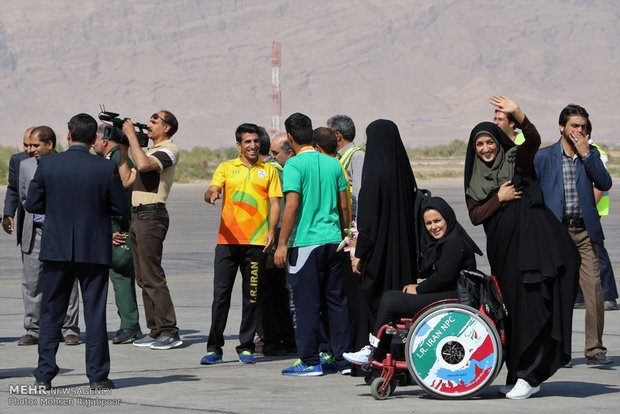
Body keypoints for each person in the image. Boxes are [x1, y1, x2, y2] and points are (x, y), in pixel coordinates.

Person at [465, 96, 579, 399]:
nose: (486, 148)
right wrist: (498, 200)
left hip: (535, 250)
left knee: (533, 308)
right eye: (480, 144)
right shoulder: (475, 176)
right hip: (504, 256)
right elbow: (475, 215)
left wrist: (519, 113)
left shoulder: (517, 161)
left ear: (500, 141)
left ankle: (531, 374)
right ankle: (518, 372)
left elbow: (533, 139)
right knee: (513, 313)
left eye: (491, 142)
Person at [25, 113, 129, 390]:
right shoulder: (104, 168)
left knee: (51, 313)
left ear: (68, 135)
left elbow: (33, 203)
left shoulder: (48, 165)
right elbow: (121, 207)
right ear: (95, 138)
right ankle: (97, 377)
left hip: (57, 248)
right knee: (94, 313)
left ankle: (44, 375)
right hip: (94, 248)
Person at [343, 196, 482, 363]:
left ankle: (374, 351)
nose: (433, 227)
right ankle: (379, 351)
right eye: (428, 223)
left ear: (448, 218)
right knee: (392, 299)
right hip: (449, 295)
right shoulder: (448, 240)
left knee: (390, 300)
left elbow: (443, 277)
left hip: (455, 299)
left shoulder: (454, 243)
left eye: (437, 221)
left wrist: (418, 289)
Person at [534, 104, 613, 366]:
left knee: (594, 291)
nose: (579, 131)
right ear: (562, 128)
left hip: (584, 232)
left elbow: (604, 183)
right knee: (558, 292)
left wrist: (587, 155)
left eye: (583, 127)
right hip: (557, 232)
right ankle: (560, 350)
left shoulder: (591, 155)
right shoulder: (544, 157)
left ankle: (595, 349)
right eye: (574, 126)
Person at [275, 112, 351, 376]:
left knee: (306, 304)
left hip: (307, 244)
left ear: (291, 138)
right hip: (334, 242)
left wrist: (282, 244)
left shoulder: (294, 165)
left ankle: (309, 361)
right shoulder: (333, 164)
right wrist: (347, 238)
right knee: (336, 302)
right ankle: (341, 359)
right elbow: (344, 206)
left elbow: (292, 205)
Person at [202, 123, 282, 365]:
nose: (252, 145)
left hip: (256, 244)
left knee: (252, 296)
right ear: (239, 145)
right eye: (247, 141)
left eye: (255, 141)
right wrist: (212, 194)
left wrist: (271, 232)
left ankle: (246, 346)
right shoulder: (227, 168)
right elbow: (212, 189)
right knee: (221, 297)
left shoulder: (268, 170)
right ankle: (214, 347)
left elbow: (275, 204)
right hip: (227, 243)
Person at [118, 110, 182, 350]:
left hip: (152, 215)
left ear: (166, 128)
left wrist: (132, 137)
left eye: (154, 121)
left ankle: (170, 331)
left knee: (153, 276)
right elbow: (126, 179)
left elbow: (144, 165)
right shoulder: (150, 152)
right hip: (138, 216)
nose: (148, 124)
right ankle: (155, 330)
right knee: (143, 277)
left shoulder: (169, 150)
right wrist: (125, 148)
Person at [351, 120, 418, 336]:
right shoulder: (404, 175)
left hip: (379, 255)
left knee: (374, 304)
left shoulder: (374, 176)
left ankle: (375, 353)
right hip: (404, 254)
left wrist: (359, 254)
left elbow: (368, 224)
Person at [17, 126, 80, 347]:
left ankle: (70, 329)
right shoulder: (24, 166)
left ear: (50, 145)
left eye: (35, 145)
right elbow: (24, 198)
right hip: (34, 233)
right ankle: (33, 329)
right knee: (32, 284)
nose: (30, 150)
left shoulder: (65, 163)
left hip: (60, 232)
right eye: (28, 145)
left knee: (68, 283)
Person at [92, 125, 142, 344]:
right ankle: (129, 325)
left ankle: (129, 326)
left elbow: (113, 201)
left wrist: (110, 231)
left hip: (118, 232)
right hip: (118, 229)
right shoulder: (117, 160)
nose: (92, 143)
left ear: (104, 141)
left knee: (120, 276)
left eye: (94, 138)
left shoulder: (113, 162)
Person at [257, 133, 297, 356]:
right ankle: (287, 339)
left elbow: (279, 212)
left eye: (274, 153)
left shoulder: (274, 173)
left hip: (272, 243)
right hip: (283, 242)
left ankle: (274, 340)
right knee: (280, 293)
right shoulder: (285, 170)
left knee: (267, 293)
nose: (270, 158)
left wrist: (274, 248)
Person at [328, 115, 365, 221]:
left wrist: (355, 223)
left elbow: (358, 194)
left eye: (329, 135)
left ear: (337, 135)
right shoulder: (338, 157)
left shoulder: (357, 156)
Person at [2, 127, 35, 240]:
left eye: (33, 145)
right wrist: (8, 214)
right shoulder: (17, 160)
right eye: (25, 145)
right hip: (26, 228)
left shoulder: (56, 160)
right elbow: (13, 189)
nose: (29, 150)